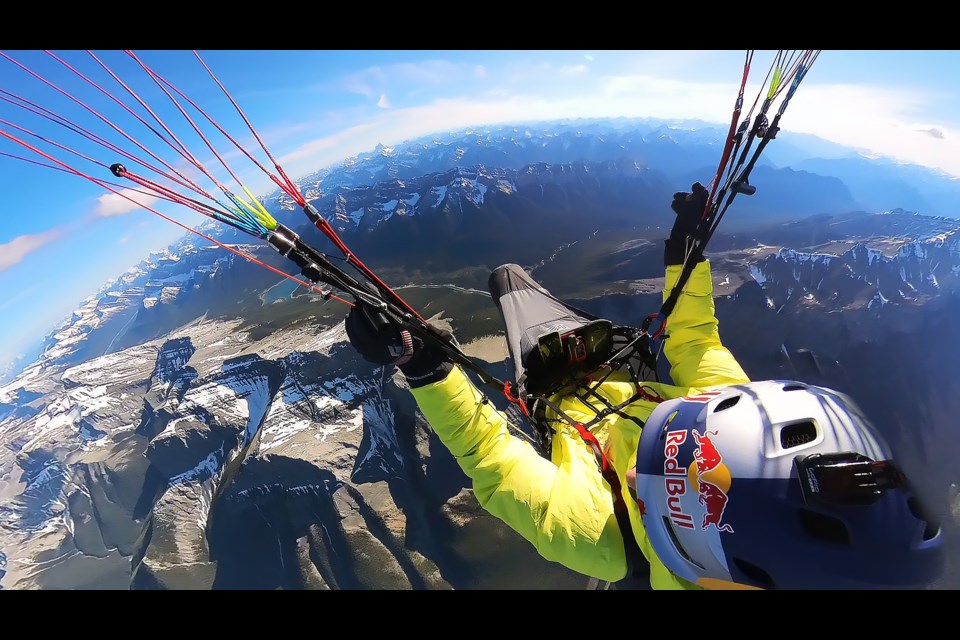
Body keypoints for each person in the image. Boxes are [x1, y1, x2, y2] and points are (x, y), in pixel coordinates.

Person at [345, 183, 945, 590]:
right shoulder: (735, 420)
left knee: (507, 280)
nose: (637, 472)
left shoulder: (598, 536)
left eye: (656, 483)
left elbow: (491, 457)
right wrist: (687, 259)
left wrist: (424, 367)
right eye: (678, 432)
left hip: (564, 397)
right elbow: (698, 345)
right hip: (612, 379)